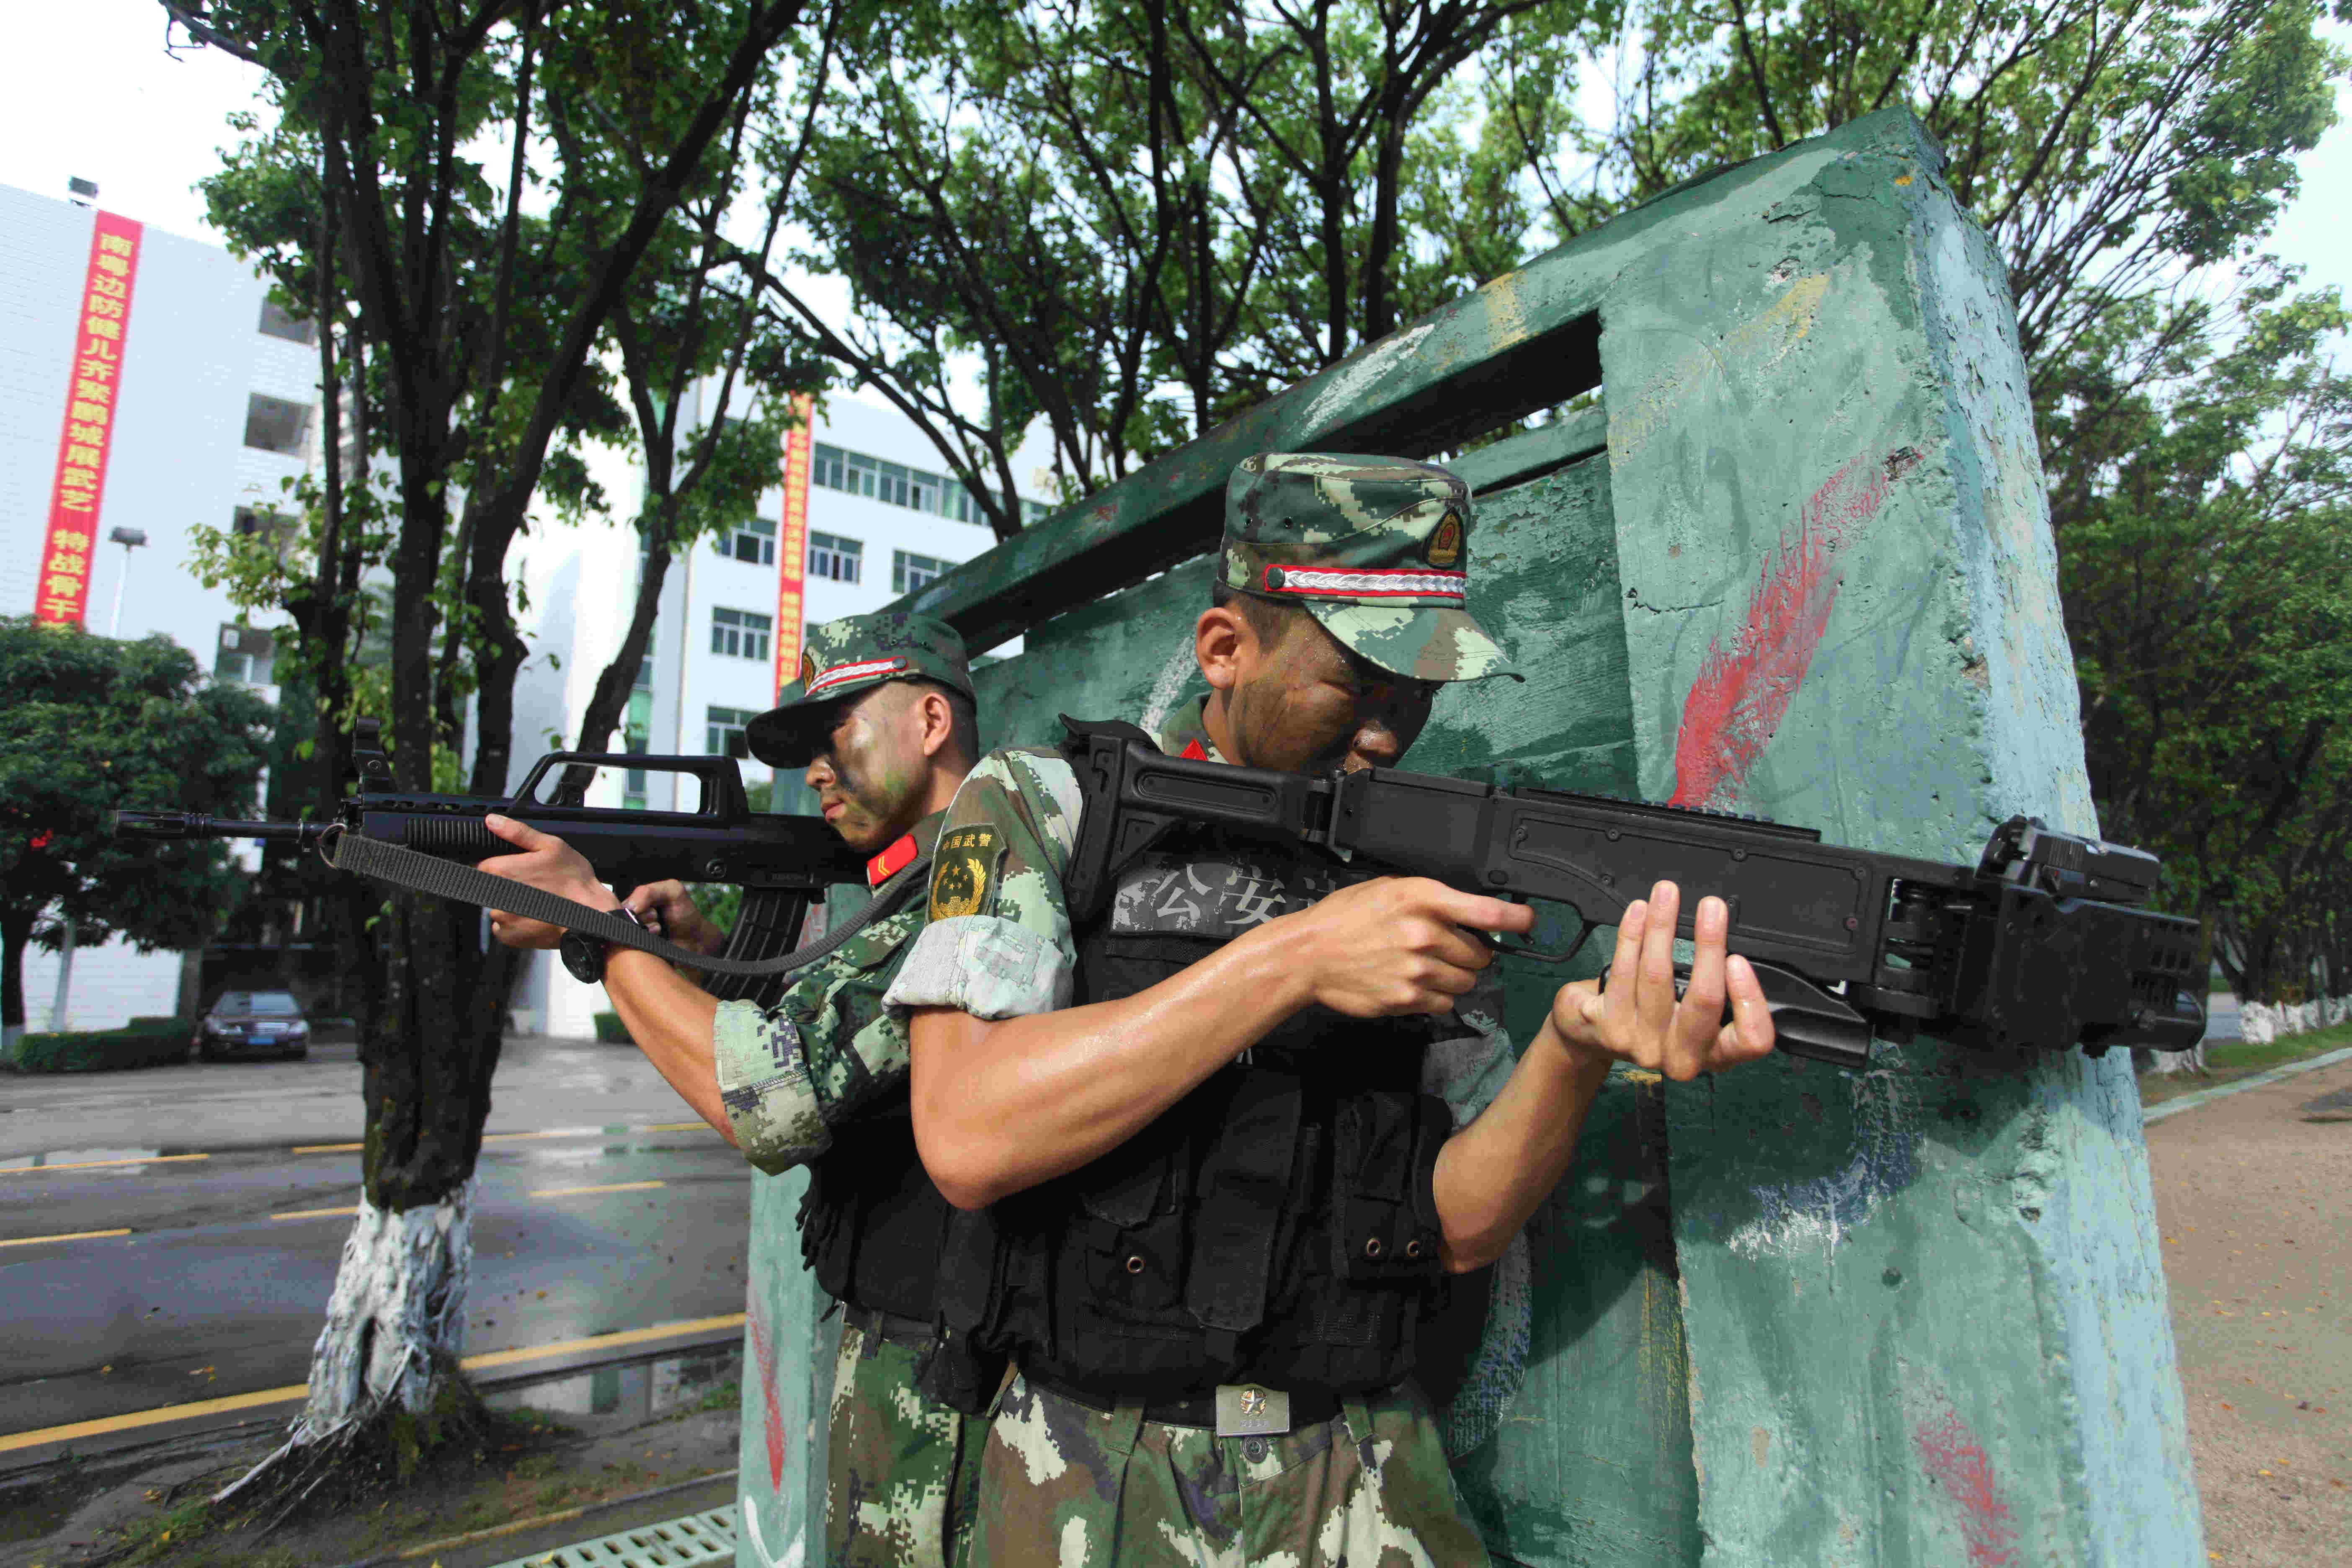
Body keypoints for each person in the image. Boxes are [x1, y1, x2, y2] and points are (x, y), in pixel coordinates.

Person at [883, 453, 1779, 1565]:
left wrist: (1575, 1047)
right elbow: (969, 1132)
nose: (1391, 733)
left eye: (1419, 694)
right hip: (1083, 1475)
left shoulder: (1413, 868)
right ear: (1226, 647)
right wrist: (1296, 958)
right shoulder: (1045, 805)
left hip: (1357, 1466)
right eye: (1359, 683)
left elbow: (1454, 1226)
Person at [476, 611, 990, 1568]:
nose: (817, 772)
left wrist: (594, 925)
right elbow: (829, 1033)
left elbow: (776, 1100)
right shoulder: (906, 885)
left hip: (956, 1384)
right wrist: (702, 962)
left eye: (838, 733)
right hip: (905, 1356)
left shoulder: (977, 884)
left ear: (929, 721)